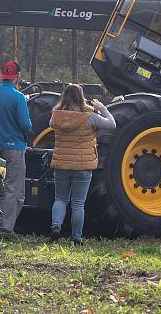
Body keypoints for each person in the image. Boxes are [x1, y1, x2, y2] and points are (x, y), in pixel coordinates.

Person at [49, 84, 117, 246]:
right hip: (83, 166)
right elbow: (112, 124)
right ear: (81, 97)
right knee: (78, 203)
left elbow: (51, 124)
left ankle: (56, 227)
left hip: (62, 164)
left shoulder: (56, 116)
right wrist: (102, 108)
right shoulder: (89, 116)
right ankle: (76, 238)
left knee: (60, 199)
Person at [0, 60, 32, 236]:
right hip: (14, 148)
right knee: (14, 188)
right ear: (17, 76)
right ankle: (5, 228)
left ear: (2, 75)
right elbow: (25, 124)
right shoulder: (18, 97)